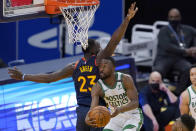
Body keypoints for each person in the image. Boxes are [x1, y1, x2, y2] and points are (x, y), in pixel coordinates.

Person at [7, 2, 138, 131]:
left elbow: (49, 78)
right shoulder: (99, 61)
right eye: (100, 47)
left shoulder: (74, 66)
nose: (102, 49)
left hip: (81, 113)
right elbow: (114, 42)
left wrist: (24, 76)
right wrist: (127, 19)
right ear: (95, 51)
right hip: (98, 109)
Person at [85, 57, 143, 131]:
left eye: (104, 66)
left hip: (132, 116)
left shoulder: (125, 79)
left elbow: (135, 103)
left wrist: (119, 109)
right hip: (115, 118)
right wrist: (88, 117)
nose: (101, 69)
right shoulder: (97, 87)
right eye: (99, 67)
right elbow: (93, 108)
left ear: (113, 68)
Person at [153, 8, 196, 96]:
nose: (173, 19)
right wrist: (186, 51)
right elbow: (168, 47)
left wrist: (194, 48)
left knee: (188, 68)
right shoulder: (163, 31)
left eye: (176, 17)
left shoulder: (187, 30)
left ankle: (178, 93)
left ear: (180, 17)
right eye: (171, 17)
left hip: (179, 59)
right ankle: (155, 94)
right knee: (157, 73)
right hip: (164, 58)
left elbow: (194, 34)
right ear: (168, 18)